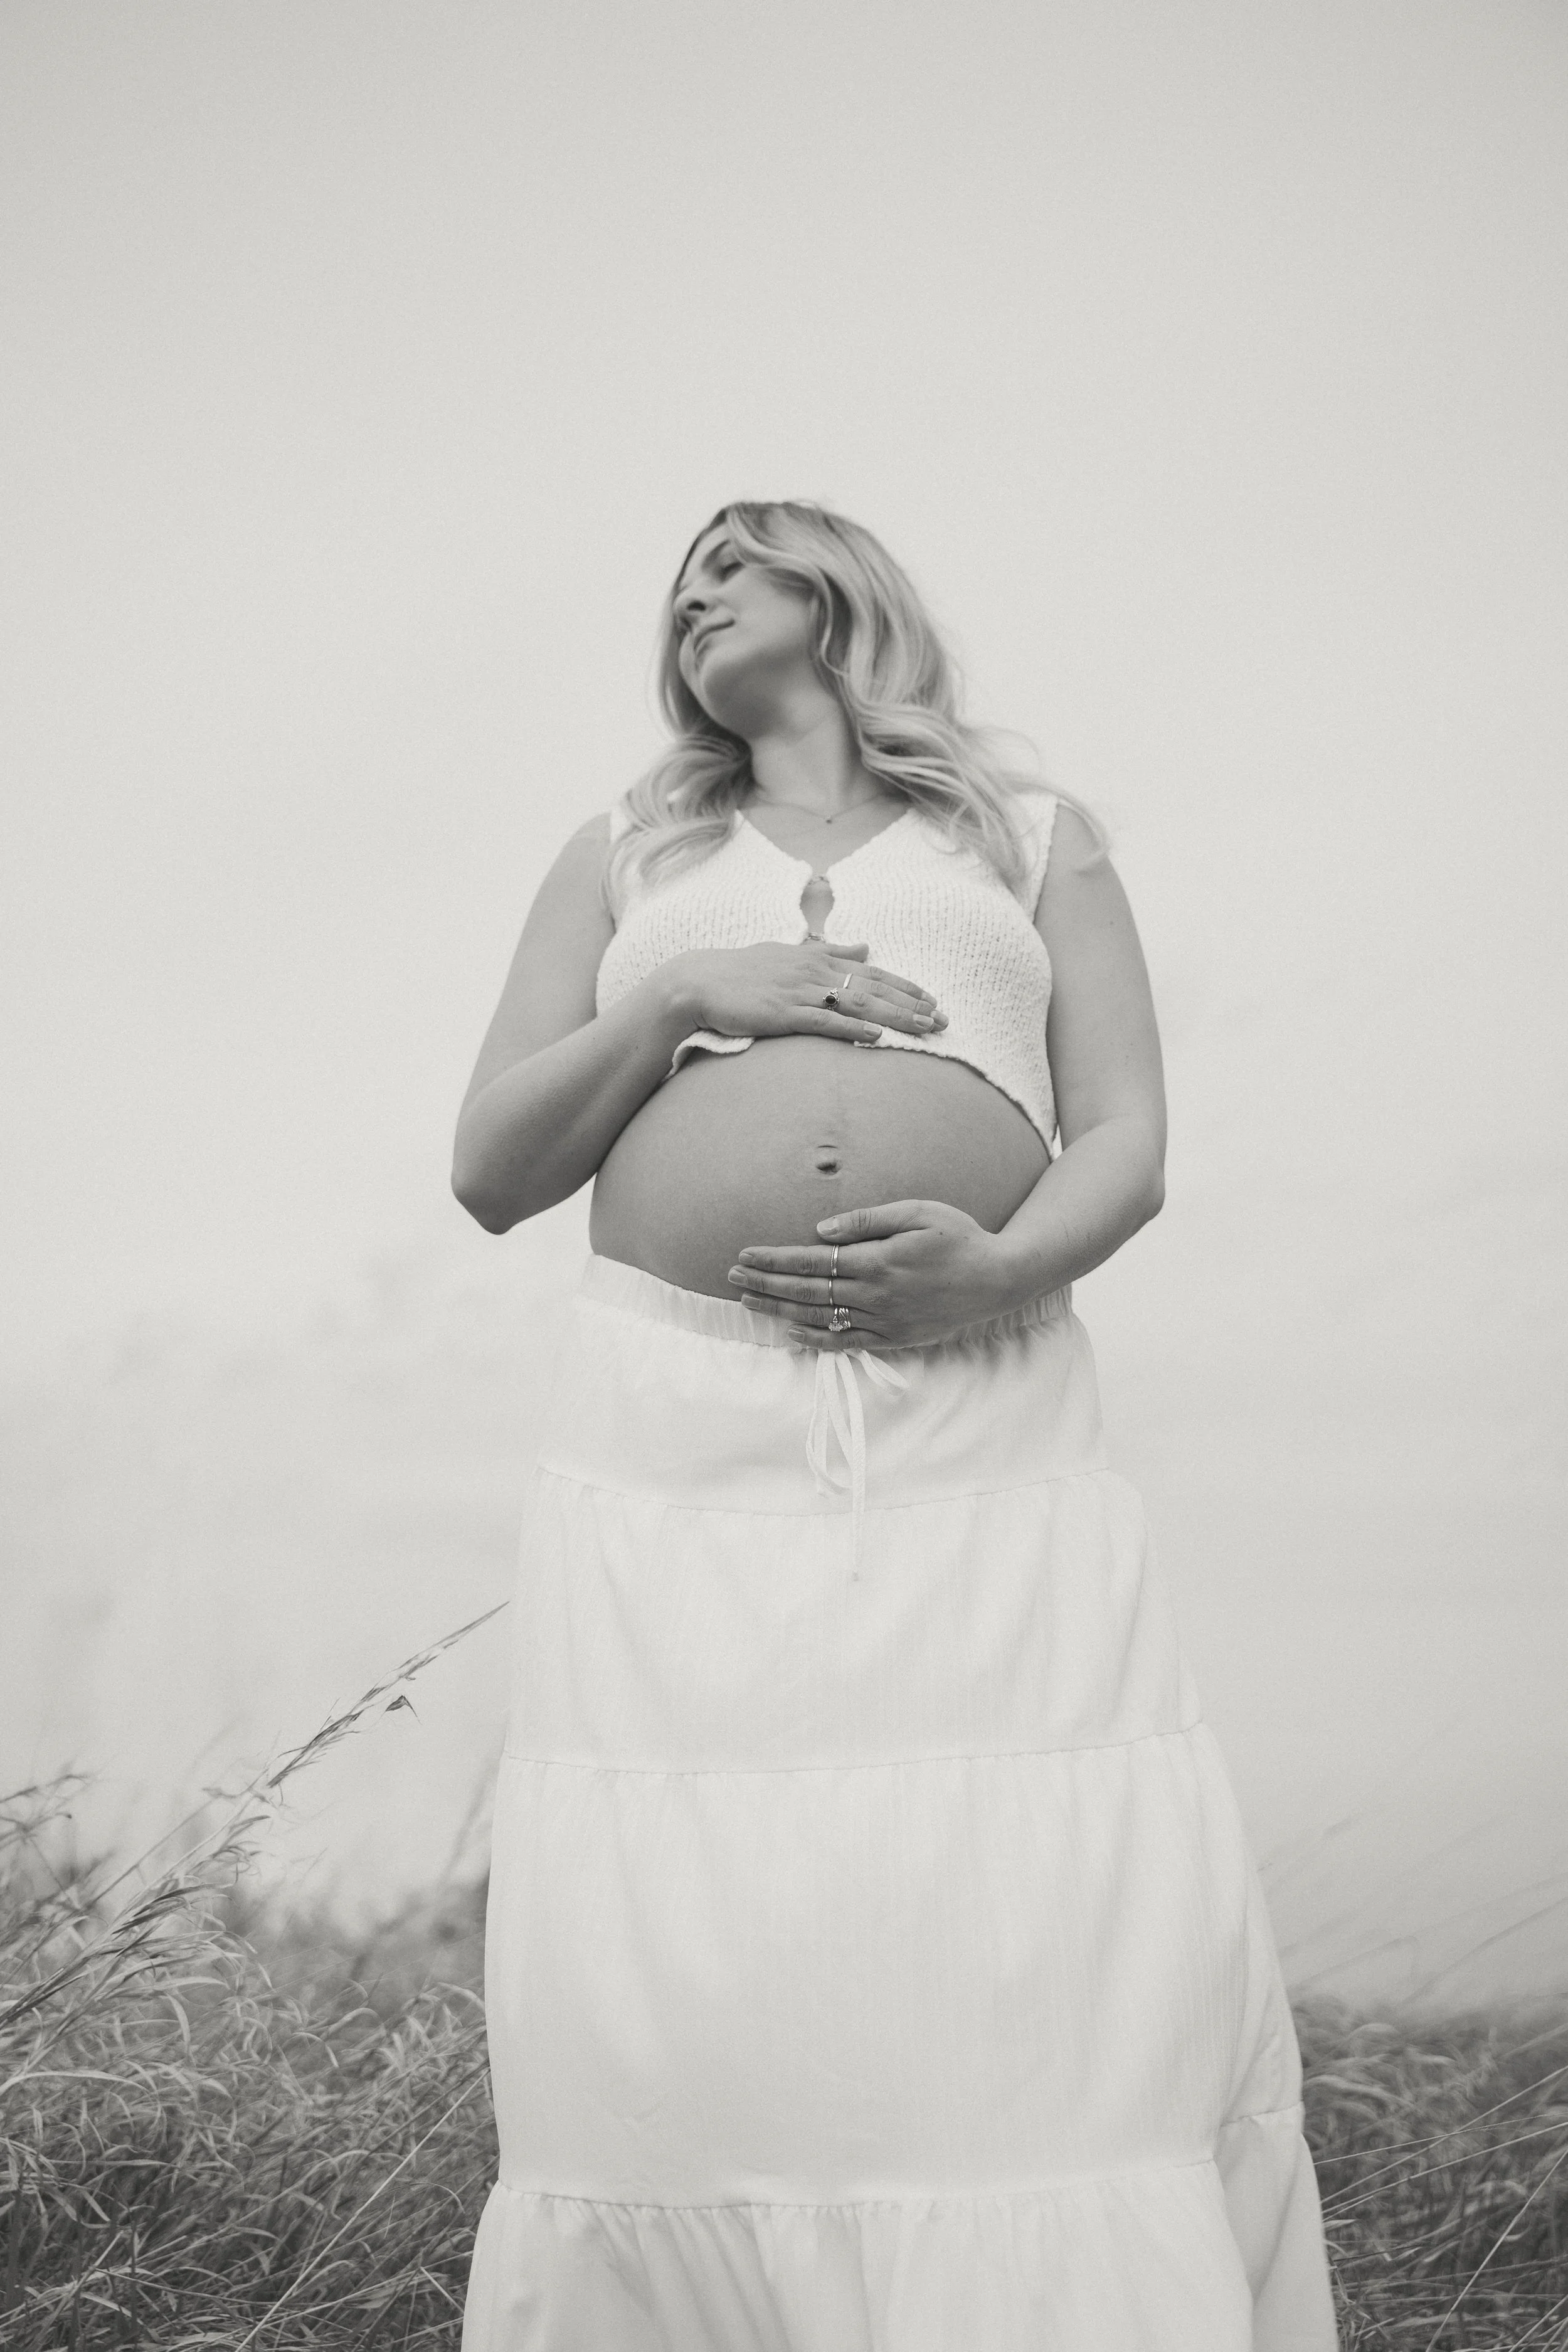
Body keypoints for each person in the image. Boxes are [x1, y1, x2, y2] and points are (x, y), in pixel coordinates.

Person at [452, 500, 1338, 2349]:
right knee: (697, 1874)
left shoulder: (1026, 836)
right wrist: (682, 999)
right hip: (674, 1419)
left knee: (1006, 1861)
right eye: (675, 591)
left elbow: (1125, 1136)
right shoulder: (628, 851)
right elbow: (489, 1168)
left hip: (978, 1402)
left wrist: (995, 1273)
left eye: (730, 565)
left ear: (838, 590)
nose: (689, 600)